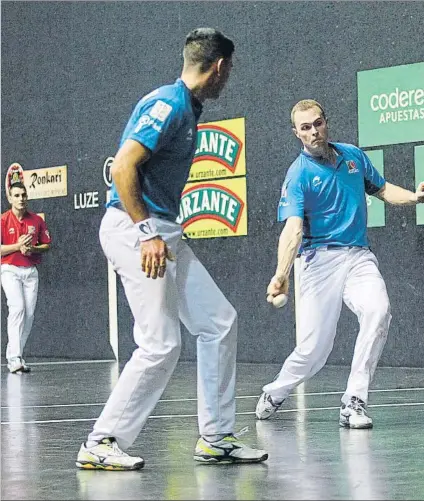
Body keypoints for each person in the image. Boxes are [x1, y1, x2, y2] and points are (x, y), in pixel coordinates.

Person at [76, 28, 268, 470]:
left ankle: (216, 437)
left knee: (219, 322)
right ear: (219, 66)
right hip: (136, 229)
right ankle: (102, 441)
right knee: (160, 343)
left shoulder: (188, 108)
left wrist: (157, 230)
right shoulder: (167, 104)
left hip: (163, 231)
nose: (228, 78)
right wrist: (145, 231)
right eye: (229, 70)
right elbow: (123, 165)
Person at [255, 99, 424, 429]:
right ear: (296, 134)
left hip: (358, 256)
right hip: (319, 261)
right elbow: (292, 229)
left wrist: (415, 198)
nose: (314, 131)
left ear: (326, 122)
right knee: (315, 351)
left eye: (317, 123)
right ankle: (274, 392)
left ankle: (354, 401)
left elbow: (383, 189)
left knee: (378, 310)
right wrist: (281, 274)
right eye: (306, 128)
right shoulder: (298, 174)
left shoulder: (353, 156)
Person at [1, 182, 51, 373]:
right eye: (17, 195)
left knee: (28, 315)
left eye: (23, 195)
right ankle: (14, 358)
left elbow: (46, 244)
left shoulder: (36, 220)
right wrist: (17, 246)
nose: (21, 199)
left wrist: (32, 249)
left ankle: (17, 356)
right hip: (9, 269)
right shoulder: (3, 221)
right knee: (18, 308)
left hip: (30, 271)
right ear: (10, 198)